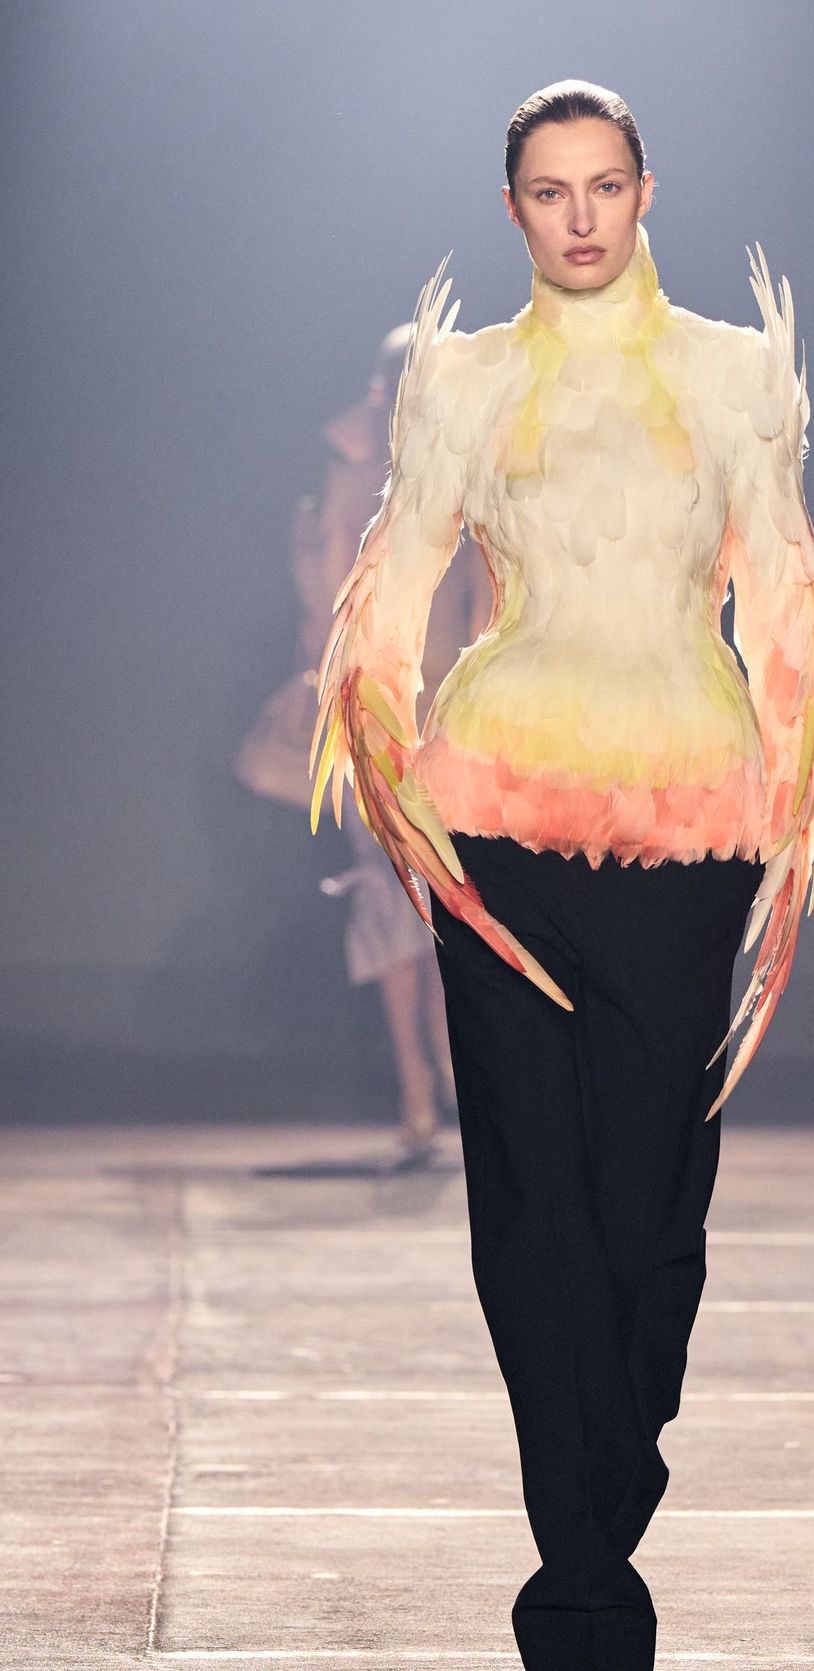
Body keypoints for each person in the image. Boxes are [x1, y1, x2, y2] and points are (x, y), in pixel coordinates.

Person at [309, 80, 814, 1671]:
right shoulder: (462, 385)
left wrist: (788, 798)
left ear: (645, 190)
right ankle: (584, 1590)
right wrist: (389, 769)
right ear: (514, 211)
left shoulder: (735, 375)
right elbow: (396, 586)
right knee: (532, 1201)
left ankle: (607, 1488)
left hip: (691, 827)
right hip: (497, 821)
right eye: (549, 192)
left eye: (604, 185)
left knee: (651, 1205)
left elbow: (783, 592)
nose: (581, 217)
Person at [237, 327, 492, 1164]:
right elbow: (329, 607)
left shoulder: (469, 482)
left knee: (448, 902)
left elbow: (488, 606)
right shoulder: (351, 481)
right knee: (395, 897)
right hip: (371, 712)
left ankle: (441, 1073)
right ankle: (423, 1083)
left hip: (449, 718)